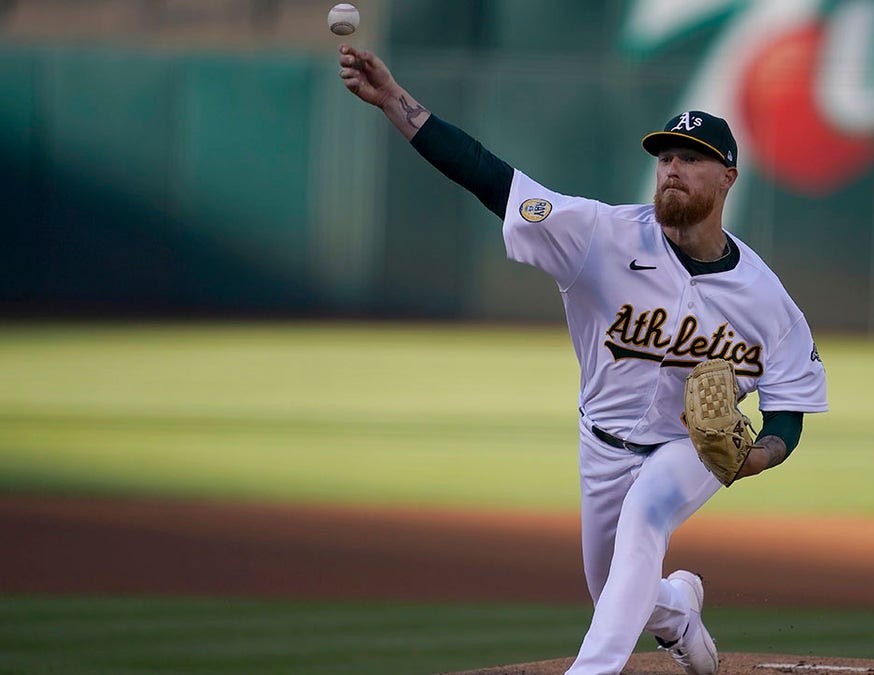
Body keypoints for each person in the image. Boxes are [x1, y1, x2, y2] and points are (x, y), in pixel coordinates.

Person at [338, 44, 828, 675]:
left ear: (729, 177)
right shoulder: (599, 235)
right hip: (601, 445)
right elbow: (489, 177)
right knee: (617, 590)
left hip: (692, 449)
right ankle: (678, 610)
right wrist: (393, 102)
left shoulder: (765, 298)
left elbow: (787, 410)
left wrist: (753, 457)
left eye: (693, 159)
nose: (673, 168)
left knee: (649, 512)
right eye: (666, 157)